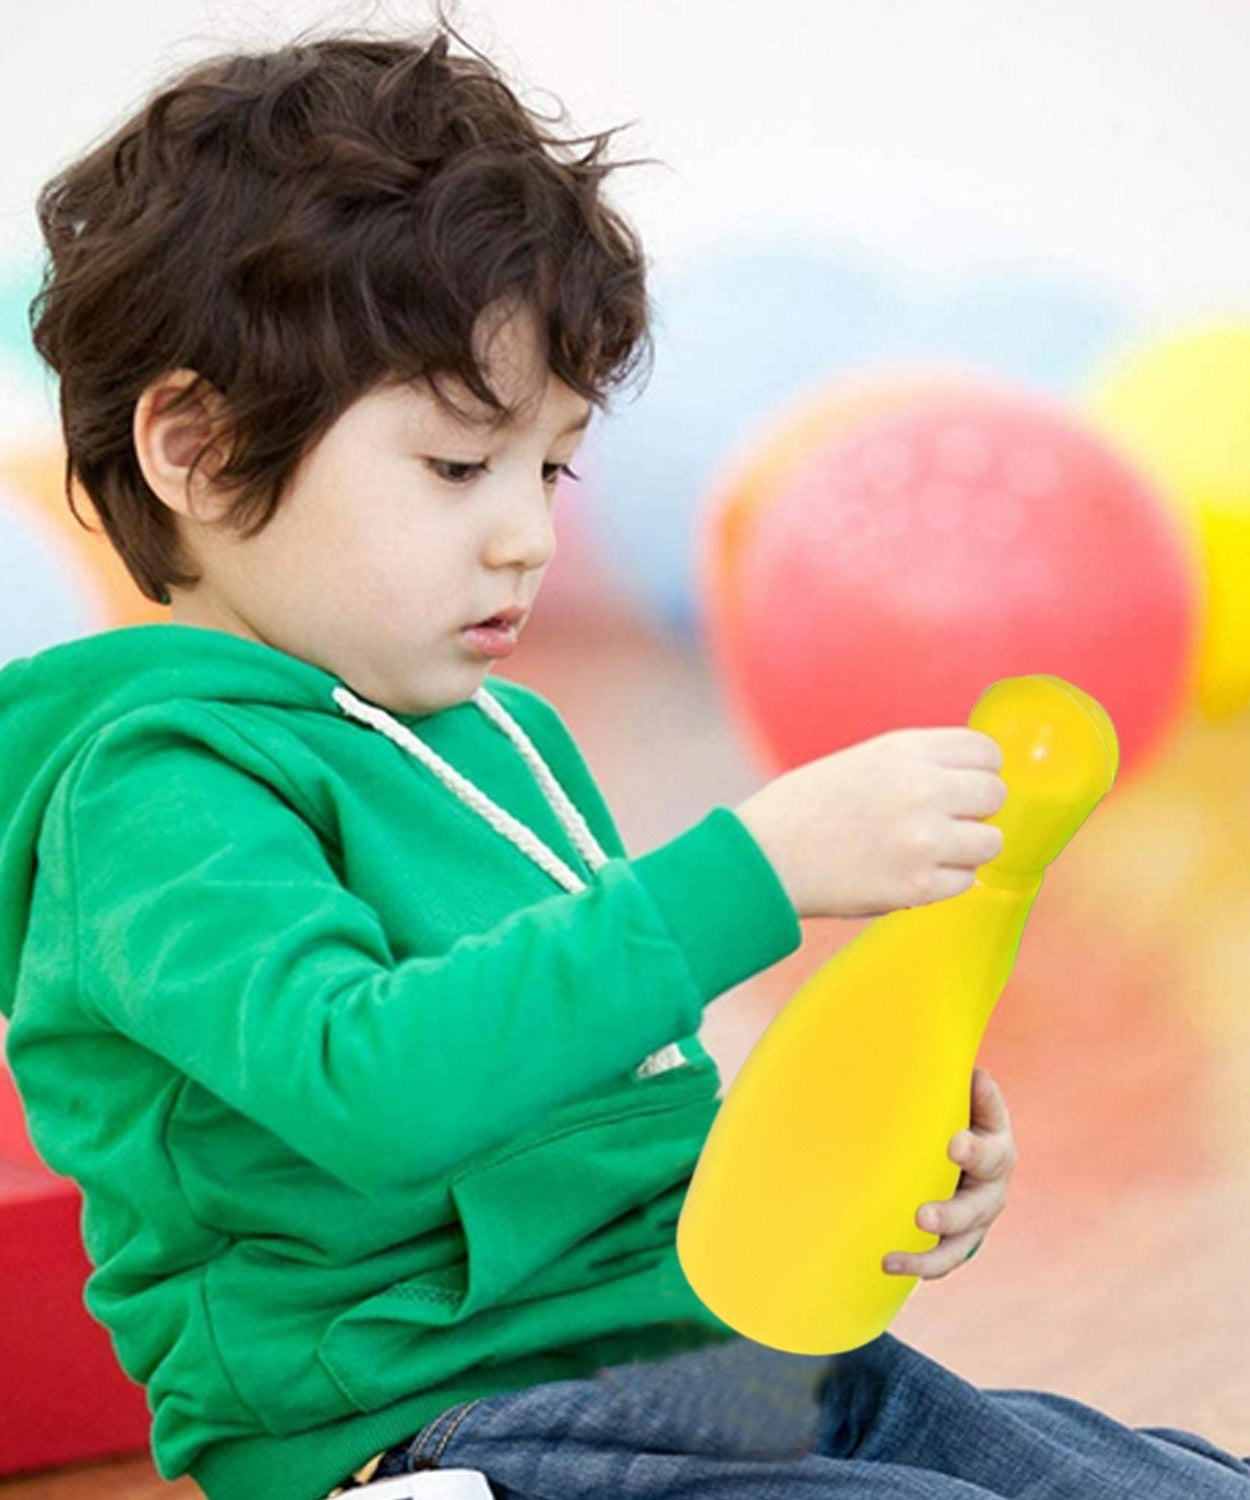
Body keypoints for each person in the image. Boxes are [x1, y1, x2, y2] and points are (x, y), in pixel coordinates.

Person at [0, 8, 1246, 1498]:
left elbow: (596, 1093)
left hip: (711, 1361)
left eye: (551, 462)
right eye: (459, 467)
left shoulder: (501, 739)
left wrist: (862, 1150)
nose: (527, 532)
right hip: (440, 1431)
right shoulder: (147, 791)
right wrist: (754, 869)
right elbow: (374, 1084)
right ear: (193, 449)